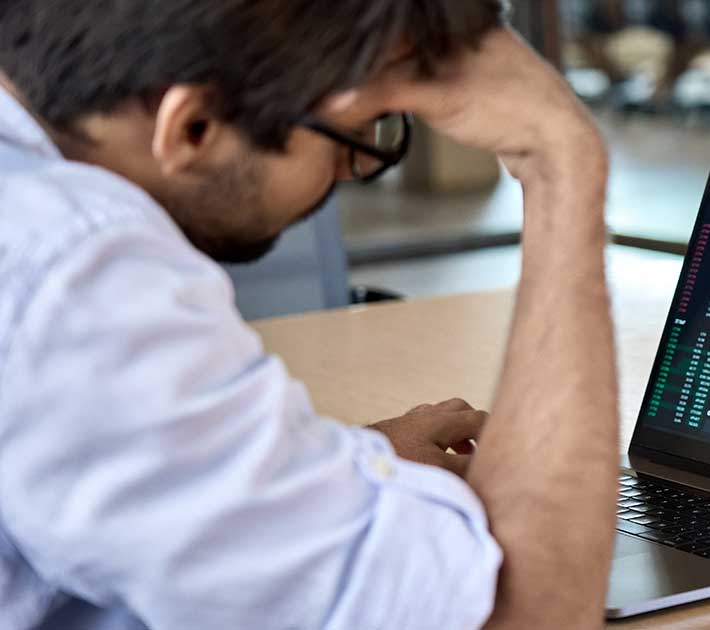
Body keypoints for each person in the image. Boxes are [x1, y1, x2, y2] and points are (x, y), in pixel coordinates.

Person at [0, 2, 618, 629]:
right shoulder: (78, 276)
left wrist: (320, 472)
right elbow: (533, 615)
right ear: (193, 127)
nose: (356, 169)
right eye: (355, 131)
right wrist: (559, 158)